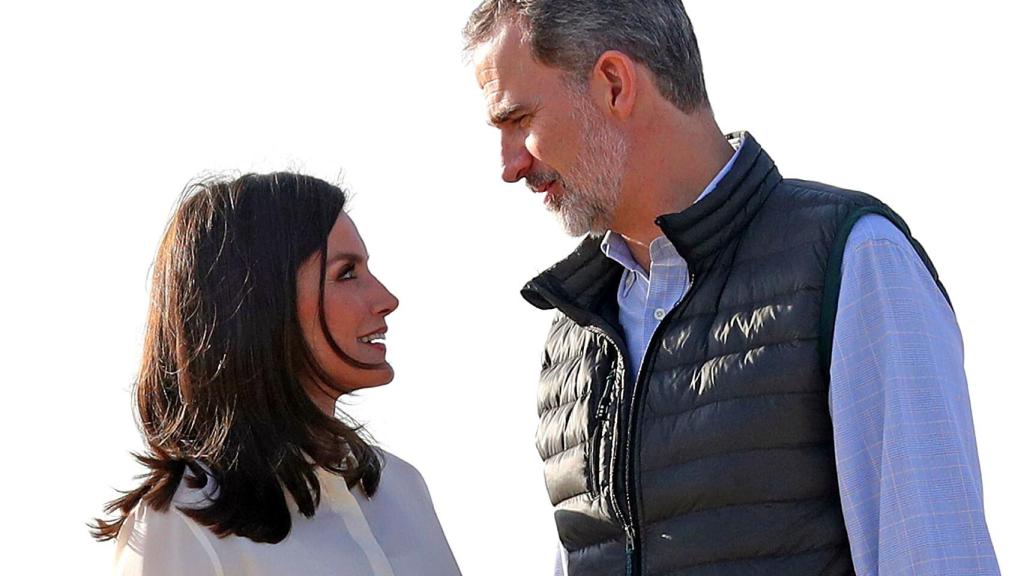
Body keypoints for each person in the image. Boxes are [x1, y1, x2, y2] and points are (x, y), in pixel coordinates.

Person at [464, 1, 999, 575]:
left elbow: (937, 558)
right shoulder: (572, 331)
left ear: (614, 84)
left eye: (518, 120)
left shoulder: (854, 259)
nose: (509, 165)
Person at [92, 173, 462, 576]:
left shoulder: (402, 488)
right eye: (347, 273)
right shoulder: (181, 523)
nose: (386, 300)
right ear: (259, 306)